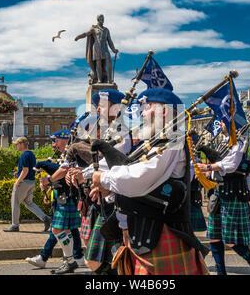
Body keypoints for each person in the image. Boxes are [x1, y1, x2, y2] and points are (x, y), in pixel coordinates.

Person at [87, 88, 209, 275]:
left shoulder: (172, 137)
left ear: (164, 111)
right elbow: (142, 181)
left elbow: (140, 178)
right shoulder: (157, 140)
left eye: (146, 107)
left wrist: (103, 179)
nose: (141, 113)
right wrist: (110, 190)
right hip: (145, 235)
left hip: (160, 234)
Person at [68, 89, 132, 275]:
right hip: (107, 200)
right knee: (104, 260)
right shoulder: (110, 131)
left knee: (104, 260)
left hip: (121, 202)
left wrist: (84, 174)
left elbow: (115, 161)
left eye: (102, 105)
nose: (98, 109)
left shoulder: (123, 131)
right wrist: (82, 173)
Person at [198, 122, 250, 275]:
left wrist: (209, 168)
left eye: (224, 121)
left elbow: (230, 165)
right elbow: (219, 167)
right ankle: (221, 273)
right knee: (214, 237)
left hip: (233, 196)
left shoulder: (239, 143)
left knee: (231, 240)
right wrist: (206, 171)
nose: (220, 124)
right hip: (219, 194)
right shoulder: (224, 143)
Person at [25, 131, 84, 270]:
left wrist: (48, 178)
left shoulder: (72, 151)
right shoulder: (65, 153)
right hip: (65, 195)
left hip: (70, 195)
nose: (53, 145)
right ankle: (73, 258)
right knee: (64, 230)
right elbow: (61, 173)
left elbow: (63, 171)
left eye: (55, 141)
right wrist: (49, 182)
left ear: (64, 140)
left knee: (59, 229)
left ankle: (68, 260)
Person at [4, 137, 52, 232]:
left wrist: (18, 181)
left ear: (21, 144)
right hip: (31, 182)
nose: (16, 146)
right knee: (29, 203)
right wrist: (18, 173)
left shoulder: (24, 155)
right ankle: (45, 218)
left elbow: (25, 170)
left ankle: (15, 225)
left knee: (15, 203)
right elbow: (28, 169)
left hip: (24, 182)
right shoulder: (31, 154)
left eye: (17, 144)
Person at [75, 14, 119, 84]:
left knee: (109, 62)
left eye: (103, 18)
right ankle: (99, 80)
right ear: (98, 19)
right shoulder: (94, 29)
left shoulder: (106, 30)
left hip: (105, 48)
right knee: (98, 63)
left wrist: (113, 49)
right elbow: (85, 34)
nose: (103, 20)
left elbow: (110, 41)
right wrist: (78, 37)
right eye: (101, 18)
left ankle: (110, 80)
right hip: (96, 48)